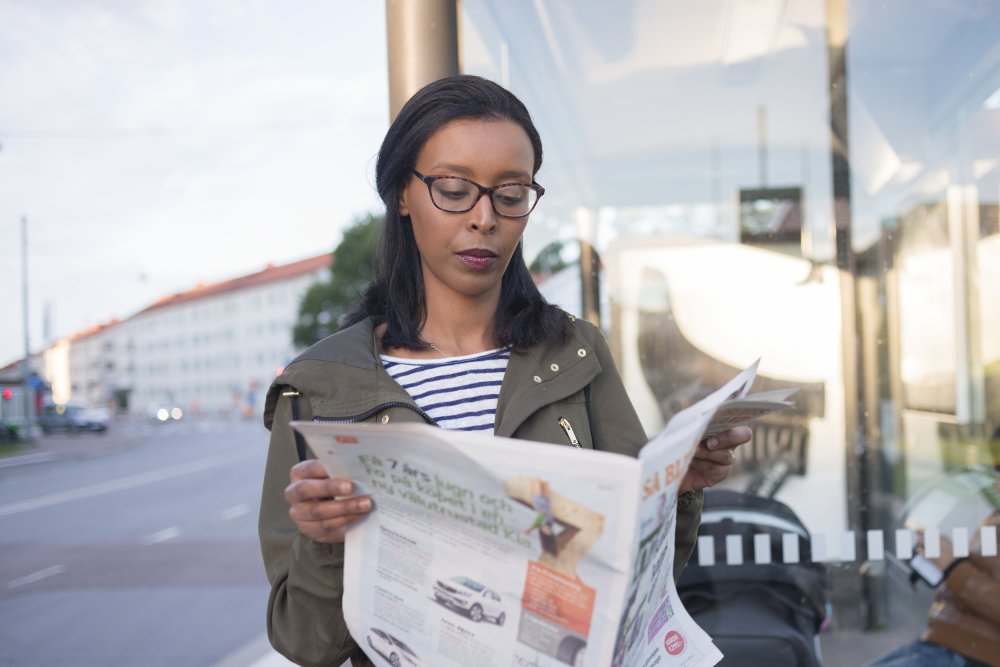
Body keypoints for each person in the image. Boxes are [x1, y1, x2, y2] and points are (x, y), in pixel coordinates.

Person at [258, 74, 751, 667]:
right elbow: (306, 643)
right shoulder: (320, 387)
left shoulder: (576, 353)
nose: (485, 218)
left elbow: (629, 587)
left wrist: (676, 489)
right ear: (402, 196)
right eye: (454, 188)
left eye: (510, 194)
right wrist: (327, 541)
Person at [866, 457, 1000, 667]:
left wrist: (953, 566)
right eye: (996, 472)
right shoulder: (994, 516)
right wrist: (948, 557)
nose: (996, 484)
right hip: (948, 643)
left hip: (973, 653)